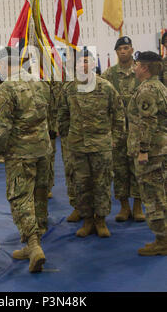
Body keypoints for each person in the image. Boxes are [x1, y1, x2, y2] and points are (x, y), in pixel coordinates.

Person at [0, 46, 52, 273]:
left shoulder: (6, 88)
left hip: (20, 152)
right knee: (39, 196)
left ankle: (33, 246)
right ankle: (35, 243)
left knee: (21, 198)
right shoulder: (40, 82)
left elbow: (2, 125)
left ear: (4, 64)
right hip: (43, 149)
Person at [57, 48, 125, 238]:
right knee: (82, 184)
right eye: (80, 62)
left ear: (94, 64)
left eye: (87, 61)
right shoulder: (69, 89)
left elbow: (119, 115)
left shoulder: (106, 87)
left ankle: (101, 220)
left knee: (102, 183)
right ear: (76, 66)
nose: (83, 65)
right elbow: (62, 115)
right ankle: (87, 220)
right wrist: (67, 137)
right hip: (77, 146)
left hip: (101, 145)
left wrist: (115, 140)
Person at [127, 51, 167, 255]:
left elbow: (147, 122)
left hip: (152, 152)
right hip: (160, 148)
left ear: (144, 67)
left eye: (137, 64)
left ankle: (162, 240)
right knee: (161, 192)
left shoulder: (147, 90)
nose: (134, 68)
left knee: (153, 195)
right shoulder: (159, 86)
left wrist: (143, 150)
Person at [102, 36, 145, 222]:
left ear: (132, 49)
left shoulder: (141, 72)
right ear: (116, 52)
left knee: (138, 169)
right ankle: (124, 207)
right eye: (120, 49)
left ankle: (137, 207)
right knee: (119, 170)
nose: (123, 51)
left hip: (138, 131)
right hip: (117, 132)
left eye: (126, 48)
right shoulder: (108, 75)